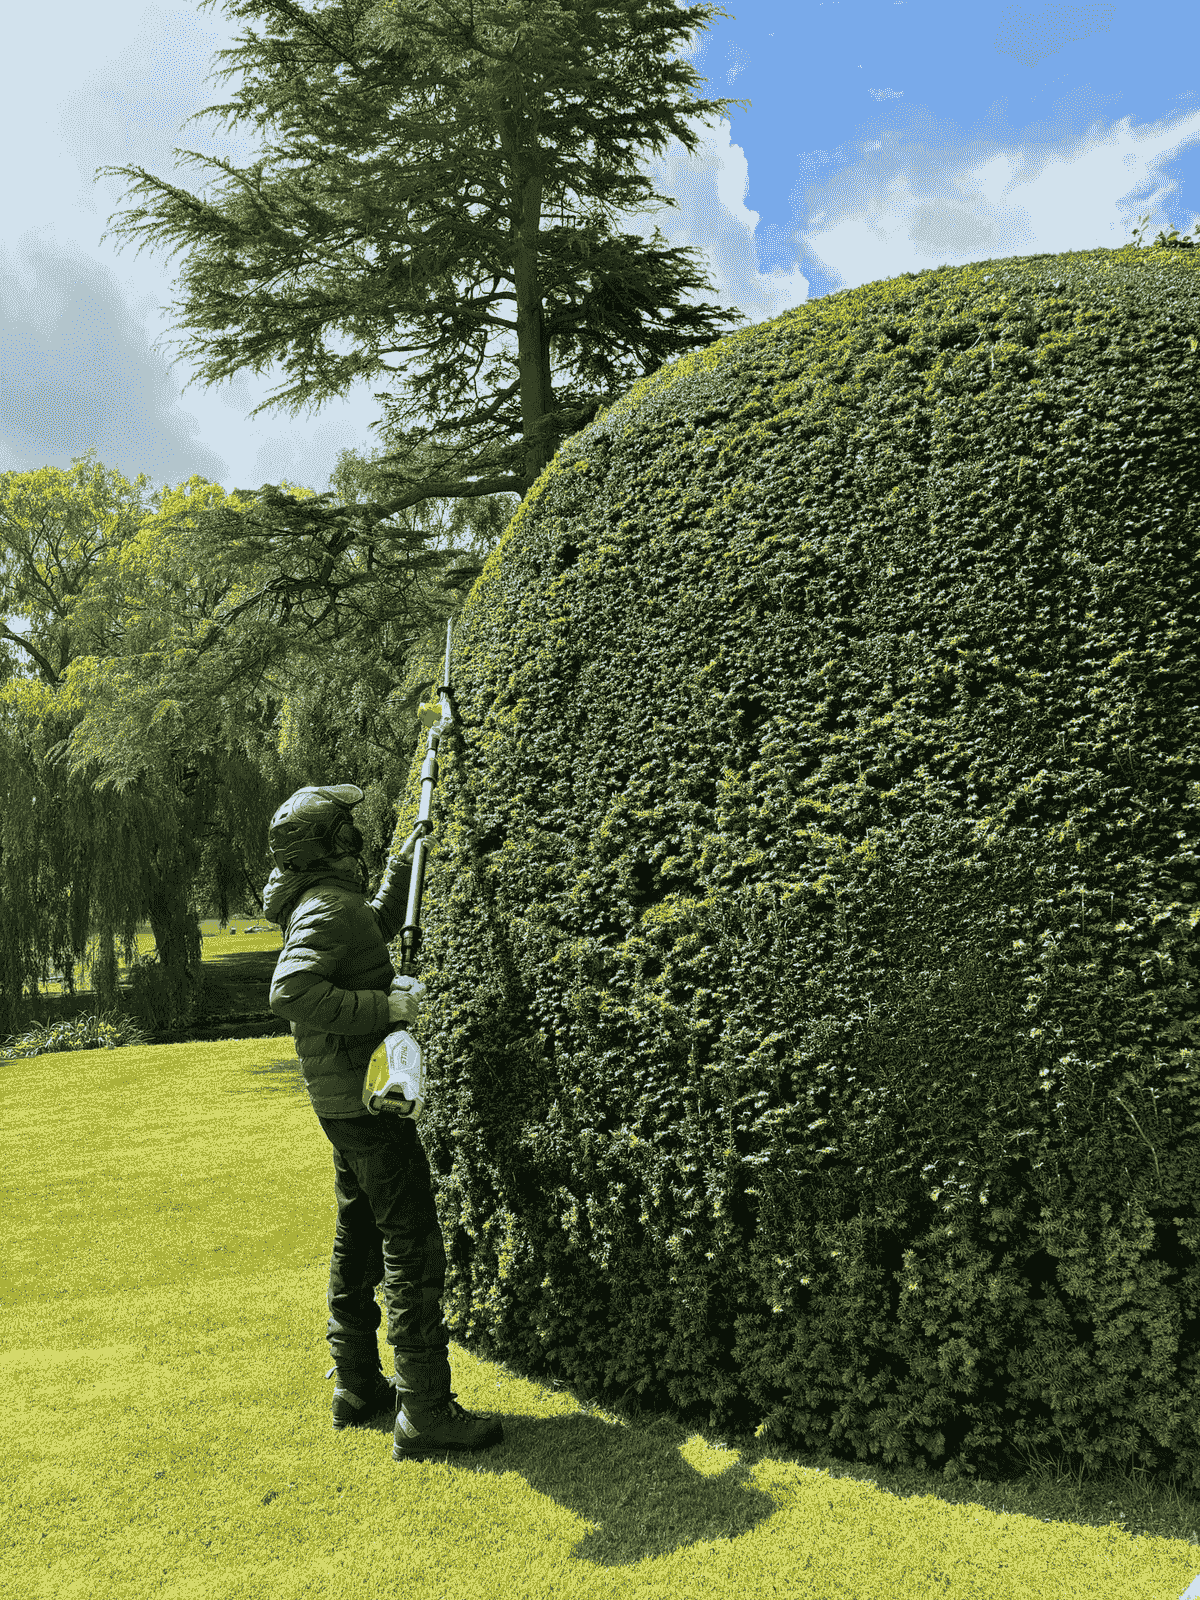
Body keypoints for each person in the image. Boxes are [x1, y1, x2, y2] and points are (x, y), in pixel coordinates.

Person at [263, 783, 503, 1460]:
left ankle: (358, 1384)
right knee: (411, 1244)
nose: (355, 834)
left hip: (342, 1099)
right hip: (367, 1105)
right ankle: (425, 1410)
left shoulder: (327, 903)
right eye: (346, 828)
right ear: (331, 844)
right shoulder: (327, 906)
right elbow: (292, 990)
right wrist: (387, 1010)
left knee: (360, 1233)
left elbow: (365, 925)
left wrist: (408, 857)